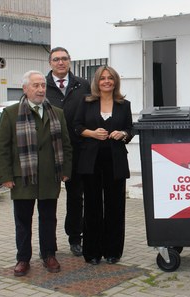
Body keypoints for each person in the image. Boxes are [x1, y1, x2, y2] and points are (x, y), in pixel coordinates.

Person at [0, 70, 72, 277]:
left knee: (48, 218)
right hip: (22, 178)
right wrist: (6, 176)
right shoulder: (11, 114)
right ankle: (23, 258)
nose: (40, 89)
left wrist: (65, 170)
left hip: (49, 176)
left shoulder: (57, 112)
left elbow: (66, 144)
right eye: (36, 85)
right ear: (25, 89)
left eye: (43, 85)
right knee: (23, 220)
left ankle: (49, 254)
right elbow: (2, 148)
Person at [74, 66, 133, 265]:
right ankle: (92, 252)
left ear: (115, 81)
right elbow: (77, 127)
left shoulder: (124, 105)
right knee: (92, 206)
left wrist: (123, 134)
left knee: (115, 206)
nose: (106, 81)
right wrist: (92, 133)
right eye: (102, 78)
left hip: (115, 161)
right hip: (91, 162)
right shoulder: (86, 102)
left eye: (110, 78)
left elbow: (129, 129)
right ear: (97, 82)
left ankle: (113, 251)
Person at [46, 47, 91, 257]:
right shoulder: (40, 86)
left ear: (70, 61)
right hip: (49, 152)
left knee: (76, 198)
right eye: (56, 59)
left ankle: (75, 238)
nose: (60, 62)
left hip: (78, 151)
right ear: (50, 63)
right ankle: (48, 244)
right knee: (47, 199)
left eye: (64, 59)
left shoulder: (82, 85)